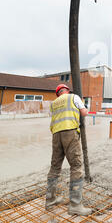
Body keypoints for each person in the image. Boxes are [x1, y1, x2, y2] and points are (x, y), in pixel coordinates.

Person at [45, 83, 92, 216]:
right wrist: (82, 107)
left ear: (58, 93)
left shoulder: (54, 103)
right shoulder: (73, 97)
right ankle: (75, 205)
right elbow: (84, 113)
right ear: (67, 90)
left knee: (55, 167)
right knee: (76, 166)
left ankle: (50, 200)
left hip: (56, 135)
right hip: (70, 132)